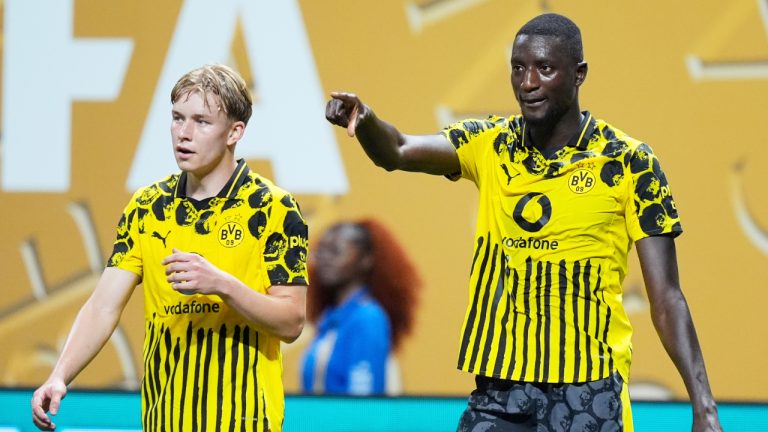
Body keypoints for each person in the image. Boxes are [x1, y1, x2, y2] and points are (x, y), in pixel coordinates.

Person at [325, 13, 722, 432]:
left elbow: (667, 298)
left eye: (545, 68)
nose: (528, 82)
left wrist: (704, 407)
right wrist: (365, 120)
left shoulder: (629, 163)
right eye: (518, 67)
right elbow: (399, 150)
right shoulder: (490, 143)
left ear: (579, 74)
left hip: (587, 389)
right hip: (501, 389)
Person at [31, 64, 308, 432]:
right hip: (164, 421)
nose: (184, 134)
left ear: (234, 132)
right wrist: (59, 375)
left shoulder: (274, 208)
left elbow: (292, 321)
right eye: (177, 118)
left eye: (202, 122)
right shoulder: (148, 207)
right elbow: (102, 305)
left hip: (245, 422)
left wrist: (222, 284)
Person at [300, 219, 421, 395]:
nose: (324, 259)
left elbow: (363, 403)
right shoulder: (329, 319)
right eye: (321, 252)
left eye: (335, 251)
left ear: (366, 259)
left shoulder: (368, 318)